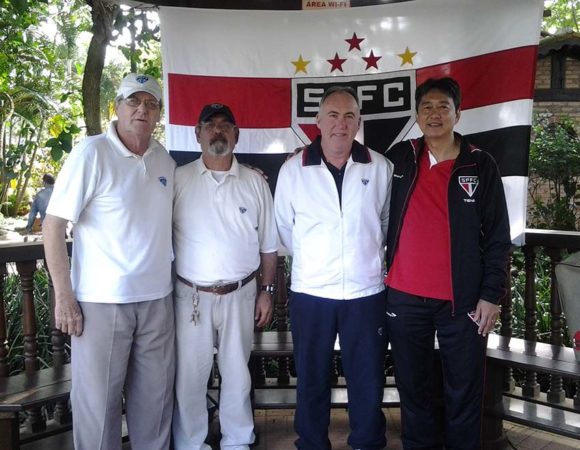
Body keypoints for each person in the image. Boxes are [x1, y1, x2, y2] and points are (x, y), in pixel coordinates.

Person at [42, 74, 175, 450]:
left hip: (157, 301)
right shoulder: (91, 153)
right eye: (133, 101)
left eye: (150, 104)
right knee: (98, 410)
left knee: (155, 406)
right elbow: (53, 226)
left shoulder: (164, 159)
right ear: (116, 106)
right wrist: (64, 297)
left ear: (159, 113)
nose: (142, 109)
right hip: (101, 303)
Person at [384, 77, 511, 450]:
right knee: (413, 389)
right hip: (404, 297)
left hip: (464, 302)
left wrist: (491, 295)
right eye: (426, 107)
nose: (434, 114)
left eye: (443, 107)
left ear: (458, 113)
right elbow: (354, 167)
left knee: (464, 391)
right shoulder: (400, 157)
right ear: (417, 115)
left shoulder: (480, 163)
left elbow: (499, 236)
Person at [275, 86, 393, 450]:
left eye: (349, 116)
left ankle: (367, 442)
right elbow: (285, 230)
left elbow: (385, 224)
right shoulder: (293, 169)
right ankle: (312, 443)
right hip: (311, 292)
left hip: (365, 292)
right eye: (333, 115)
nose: (341, 124)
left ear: (358, 122)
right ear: (318, 121)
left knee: (367, 377)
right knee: (311, 377)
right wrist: (318, 261)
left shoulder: (380, 167)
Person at [172, 103, 278, 450]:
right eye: (210, 124)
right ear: (197, 133)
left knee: (236, 372)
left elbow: (269, 246)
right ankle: (191, 443)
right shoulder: (178, 179)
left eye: (224, 125)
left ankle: (237, 440)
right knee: (190, 376)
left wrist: (266, 290)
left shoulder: (255, 182)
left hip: (241, 293)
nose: (217, 130)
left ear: (236, 134)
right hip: (191, 296)